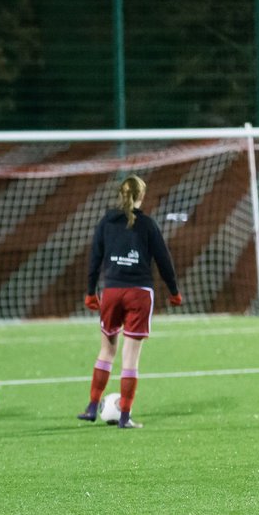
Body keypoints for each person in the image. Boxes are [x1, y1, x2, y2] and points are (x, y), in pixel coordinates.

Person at [79, 175, 182, 428]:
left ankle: (92, 406)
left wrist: (91, 292)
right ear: (142, 196)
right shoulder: (147, 224)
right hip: (139, 293)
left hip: (112, 291)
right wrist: (174, 291)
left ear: (120, 194)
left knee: (106, 350)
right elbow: (164, 260)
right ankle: (124, 416)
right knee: (130, 358)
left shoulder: (106, 222)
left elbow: (94, 260)